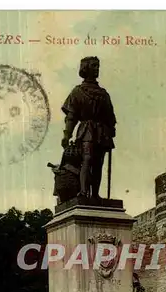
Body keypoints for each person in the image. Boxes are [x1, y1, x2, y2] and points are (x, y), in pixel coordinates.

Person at [61, 56, 116, 199]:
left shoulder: (104, 94)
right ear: (85, 68)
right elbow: (71, 116)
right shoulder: (77, 92)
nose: (97, 69)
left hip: (102, 132)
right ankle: (84, 192)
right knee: (87, 159)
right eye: (93, 66)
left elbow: (110, 116)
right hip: (86, 130)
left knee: (98, 164)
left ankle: (95, 194)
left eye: (98, 66)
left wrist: (111, 129)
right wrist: (67, 134)